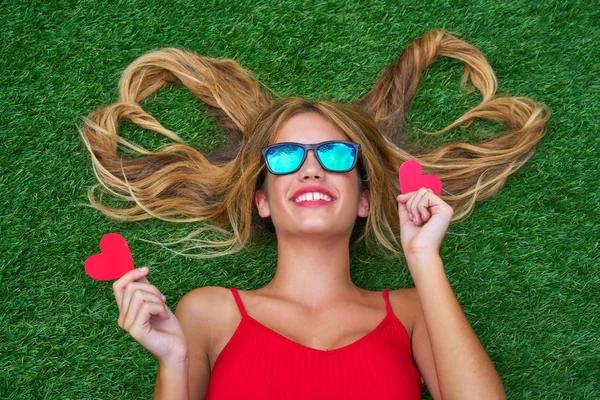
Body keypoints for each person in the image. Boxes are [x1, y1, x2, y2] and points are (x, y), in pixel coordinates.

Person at [81, 29, 548, 399]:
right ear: (262, 200)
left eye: (335, 155)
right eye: (285, 157)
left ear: (364, 198)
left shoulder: (412, 312)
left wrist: (424, 257)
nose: (310, 169)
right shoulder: (208, 312)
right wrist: (173, 360)